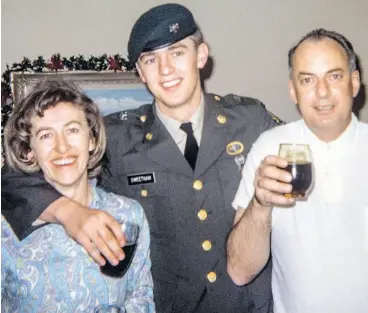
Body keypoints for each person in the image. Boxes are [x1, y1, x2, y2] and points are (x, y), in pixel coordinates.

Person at [2, 3, 284, 312]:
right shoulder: (118, 137)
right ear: (140, 72)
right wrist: (67, 212)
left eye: (177, 52)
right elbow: (12, 181)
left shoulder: (250, 120)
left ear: (201, 55)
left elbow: (309, 157)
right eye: (151, 59)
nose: (165, 70)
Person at [227, 28, 368, 313]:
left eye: (335, 76)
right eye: (307, 80)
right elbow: (240, 271)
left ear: (355, 83)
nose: (322, 92)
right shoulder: (270, 147)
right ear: (293, 90)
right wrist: (260, 204)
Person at [1, 80, 154, 313]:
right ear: (29, 151)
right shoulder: (5, 230)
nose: (62, 147)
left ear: (91, 139)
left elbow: (141, 297)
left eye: (72, 130)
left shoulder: (129, 215)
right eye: (45, 136)